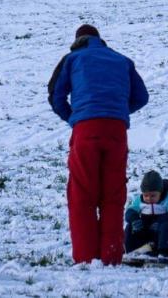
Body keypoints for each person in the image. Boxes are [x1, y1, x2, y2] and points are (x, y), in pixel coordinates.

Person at [48, 24, 149, 265]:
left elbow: (55, 94)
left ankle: (85, 258)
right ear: (99, 39)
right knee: (113, 195)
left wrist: (74, 116)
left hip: (86, 129)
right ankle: (111, 256)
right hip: (116, 131)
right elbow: (142, 97)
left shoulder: (72, 59)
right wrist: (118, 112)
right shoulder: (122, 60)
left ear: (78, 40)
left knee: (82, 194)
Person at [124, 170, 168, 257]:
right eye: (146, 195)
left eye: (153, 195)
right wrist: (134, 219)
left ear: (160, 192)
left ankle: (165, 252)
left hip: (160, 237)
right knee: (130, 226)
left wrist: (161, 221)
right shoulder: (139, 200)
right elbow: (130, 210)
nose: (149, 198)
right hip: (145, 235)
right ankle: (130, 251)